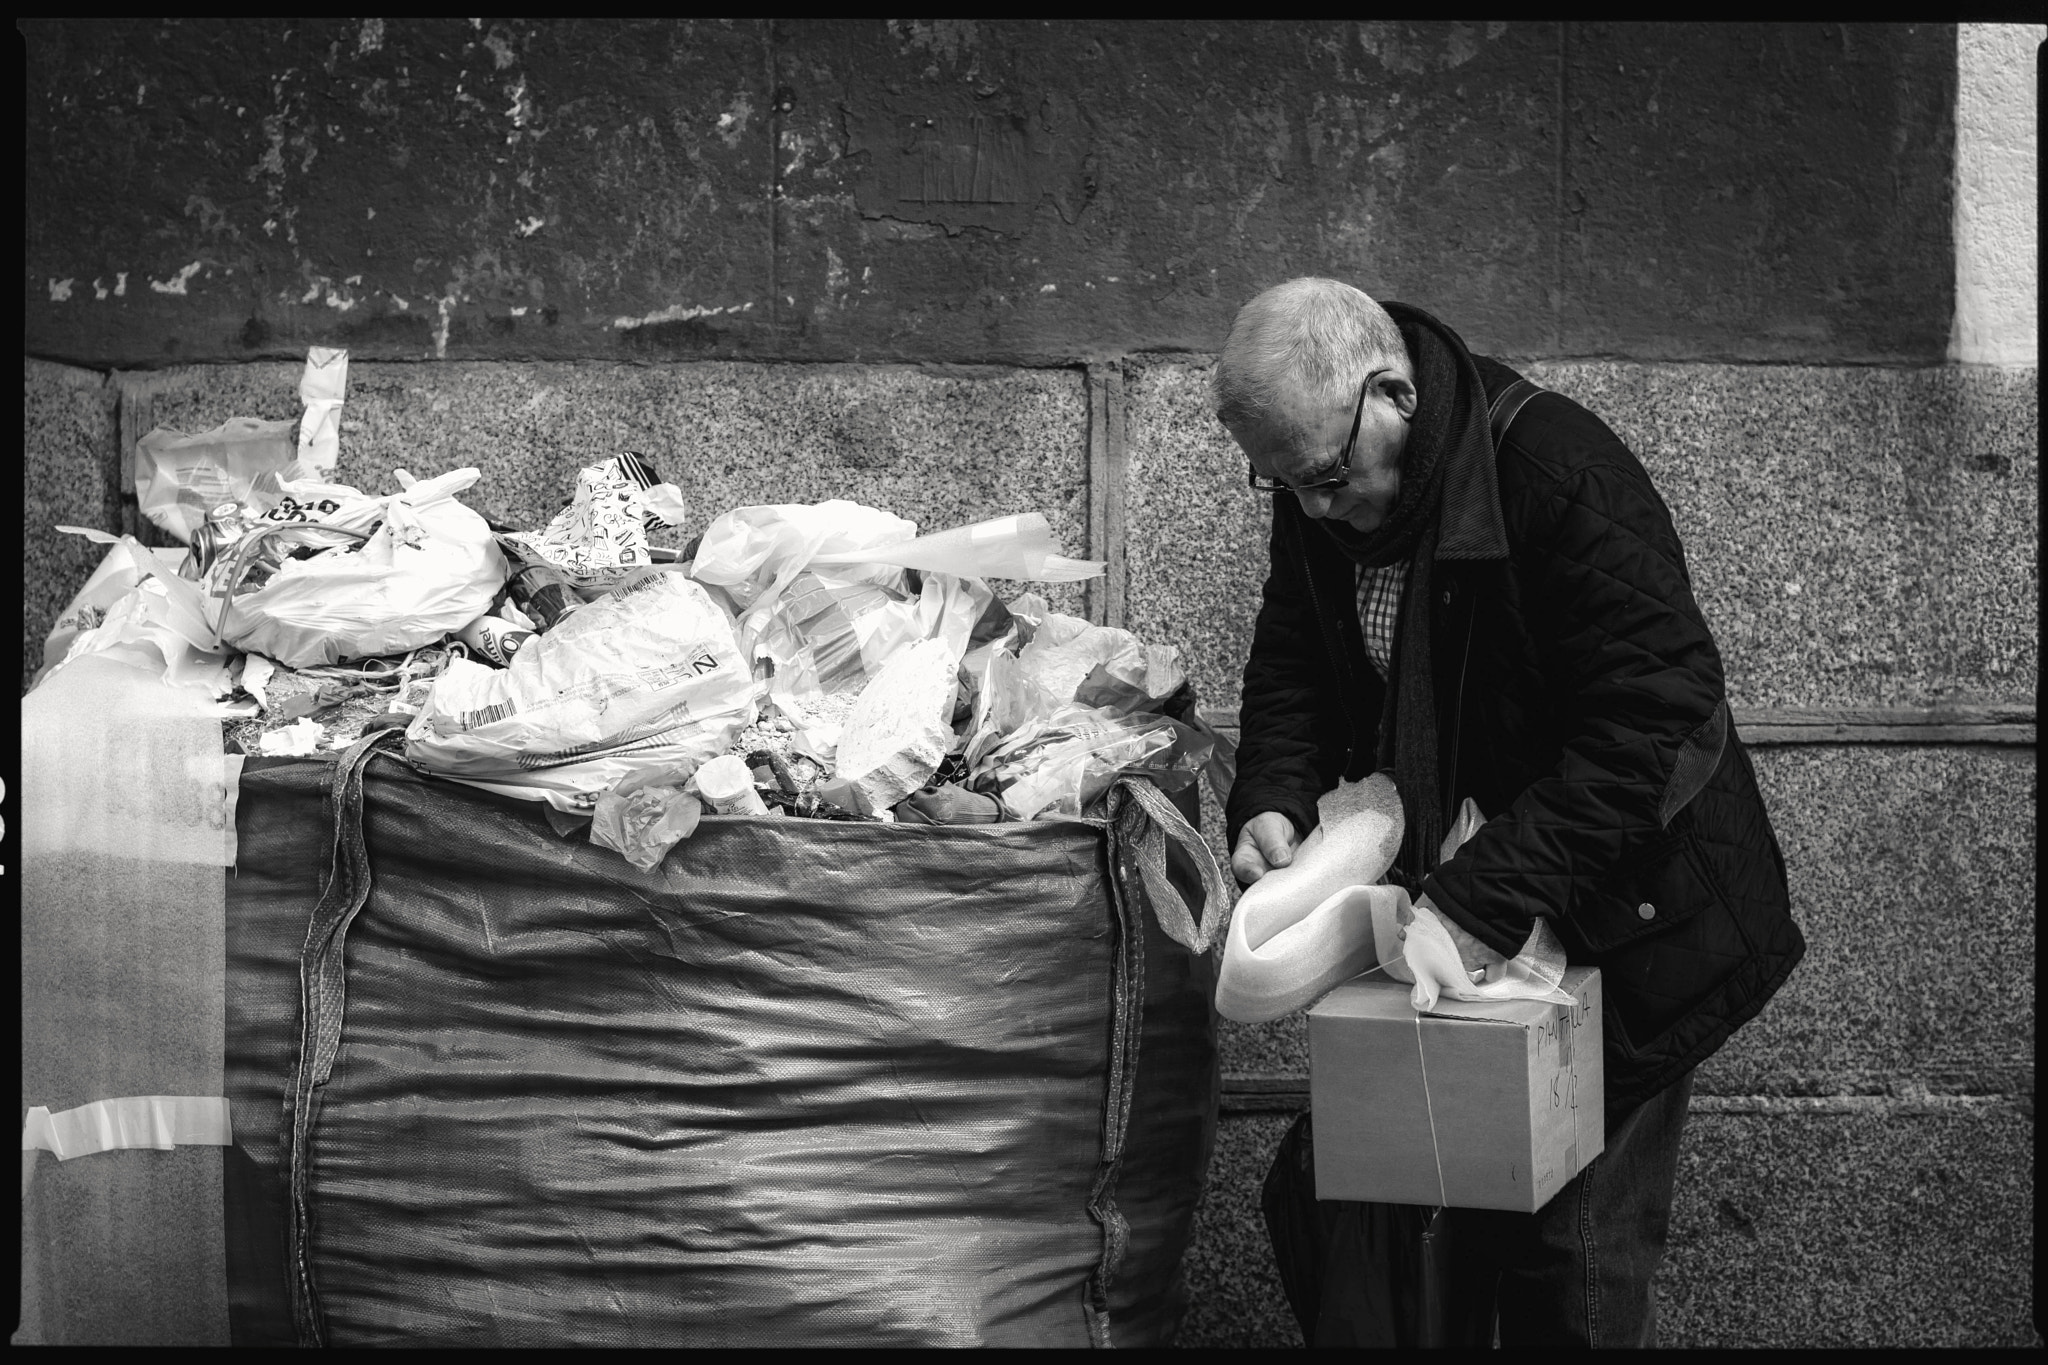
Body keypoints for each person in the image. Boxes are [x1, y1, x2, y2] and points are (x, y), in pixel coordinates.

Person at [1215, 277, 1804, 1347]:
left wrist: (1479, 898)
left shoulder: (1558, 474)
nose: (1309, 510)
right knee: (1349, 1200)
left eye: (1325, 478)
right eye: (1279, 485)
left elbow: (1655, 725)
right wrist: (1269, 795)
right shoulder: (1324, 483)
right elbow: (1292, 655)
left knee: (1566, 1263)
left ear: (1389, 393)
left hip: (1627, 931)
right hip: (1455, 920)